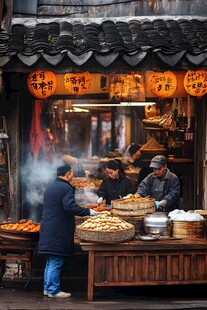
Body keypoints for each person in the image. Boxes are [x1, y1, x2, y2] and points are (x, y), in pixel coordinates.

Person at [38, 163, 98, 298]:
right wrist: (88, 211)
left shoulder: (51, 187)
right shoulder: (65, 188)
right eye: (72, 173)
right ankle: (53, 290)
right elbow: (70, 206)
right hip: (58, 228)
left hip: (49, 226)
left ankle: (47, 288)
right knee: (56, 260)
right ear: (67, 174)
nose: (73, 175)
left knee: (51, 259)